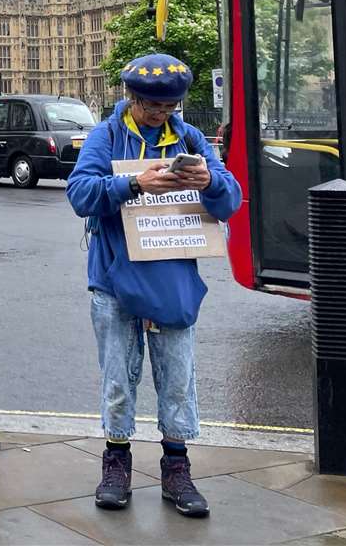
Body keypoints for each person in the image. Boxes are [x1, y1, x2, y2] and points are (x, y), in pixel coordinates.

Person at [67, 53, 242, 519]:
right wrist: (132, 184)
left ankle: (177, 470)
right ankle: (116, 463)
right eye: (153, 107)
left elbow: (231, 200)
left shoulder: (190, 138)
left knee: (177, 382)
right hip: (115, 280)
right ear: (131, 98)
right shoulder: (106, 137)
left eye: (170, 107)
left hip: (172, 281)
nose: (162, 115)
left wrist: (210, 181)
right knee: (119, 381)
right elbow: (80, 194)